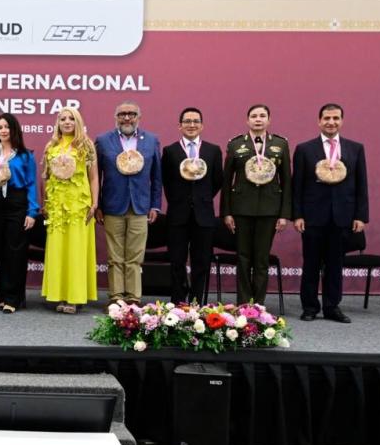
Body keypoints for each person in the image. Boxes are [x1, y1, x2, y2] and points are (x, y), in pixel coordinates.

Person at [293, 103, 368, 323]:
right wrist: (297, 215)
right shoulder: (305, 149)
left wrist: (360, 216)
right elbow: (297, 185)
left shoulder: (355, 148)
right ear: (319, 121)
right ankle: (309, 307)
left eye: (335, 118)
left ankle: (332, 307)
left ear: (342, 121)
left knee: (335, 264)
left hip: (342, 216)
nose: (331, 122)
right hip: (313, 217)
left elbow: (361, 184)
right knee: (311, 264)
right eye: (327, 118)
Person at [220, 104, 292, 305]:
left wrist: (284, 214)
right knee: (243, 259)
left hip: (270, 210)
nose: (258, 119)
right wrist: (226, 212)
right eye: (254, 116)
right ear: (247, 120)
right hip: (241, 209)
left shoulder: (281, 144)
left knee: (261, 260)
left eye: (262, 116)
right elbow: (226, 182)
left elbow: (287, 181)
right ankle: (243, 304)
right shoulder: (235, 145)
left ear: (269, 120)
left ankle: (258, 305)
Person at [94, 101, 161, 305]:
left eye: (131, 114)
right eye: (122, 114)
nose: (127, 118)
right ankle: (116, 298)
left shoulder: (151, 140)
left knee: (135, 256)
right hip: (113, 206)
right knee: (115, 257)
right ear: (116, 117)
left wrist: (155, 205)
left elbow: (157, 176)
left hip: (141, 206)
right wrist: (97, 205)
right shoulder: (104, 140)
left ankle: (133, 298)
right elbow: (96, 176)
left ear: (139, 117)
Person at [161, 108, 224, 304]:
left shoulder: (212, 150)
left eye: (196, 121)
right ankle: (178, 300)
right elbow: (166, 181)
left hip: (203, 216)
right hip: (177, 215)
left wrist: (201, 199)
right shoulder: (170, 151)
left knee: (201, 262)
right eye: (187, 121)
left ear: (202, 125)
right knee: (177, 261)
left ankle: (197, 301)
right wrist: (181, 200)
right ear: (180, 126)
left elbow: (217, 181)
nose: (191, 125)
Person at [41, 107, 98, 314]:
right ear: (57, 123)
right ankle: (58, 295)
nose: (67, 122)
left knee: (76, 250)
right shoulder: (51, 145)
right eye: (62, 119)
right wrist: (45, 202)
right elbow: (45, 176)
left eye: (71, 119)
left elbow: (93, 177)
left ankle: (75, 298)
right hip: (56, 207)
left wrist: (94, 203)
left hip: (78, 206)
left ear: (78, 122)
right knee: (58, 250)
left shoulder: (86, 145)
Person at [0, 113, 38, 314]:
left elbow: (32, 184)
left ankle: (15, 298)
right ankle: (3, 295)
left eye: (7, 127)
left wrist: (32, 212)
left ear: (14, 129)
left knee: (15, 252)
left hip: (18, 204)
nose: (3, 130)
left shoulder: (25, 155)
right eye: (0, 127)